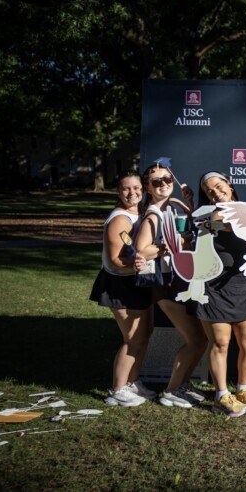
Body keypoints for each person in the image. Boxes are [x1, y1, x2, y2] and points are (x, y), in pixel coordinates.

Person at [134, 164, 208, 409]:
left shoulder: (171, 206)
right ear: (147, 188)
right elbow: (142, 250)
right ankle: (172, 390)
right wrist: (170, 246)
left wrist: (187, 203)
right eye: (156, 182)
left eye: (167, 178)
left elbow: (193, 227)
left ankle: (182, 385)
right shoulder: (153, 214)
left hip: (178, 281)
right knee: (196, 339)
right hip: (166, 285)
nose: (163, 183)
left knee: (199, 339)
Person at [192, 170, 246, 417]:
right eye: (209, 191)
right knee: (221, 343)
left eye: (219, 186)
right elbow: (214, 226)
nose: (215, 192)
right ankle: (221, 395)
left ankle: (243, 389)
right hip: (214, 286)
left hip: (243, 285)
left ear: (230, 185)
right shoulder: (208, 215)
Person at [90, 171, 155, 407]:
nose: (132, 193)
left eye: (136, 187)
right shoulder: (119, 219)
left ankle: (132, 383)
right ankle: (117, 390)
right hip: (120, 283)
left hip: (137, 282)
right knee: (133, 339)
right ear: (118, 192)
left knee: (144, 334)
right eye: (126, 189)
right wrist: (139, 266)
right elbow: (117, 261)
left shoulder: (141, 212)